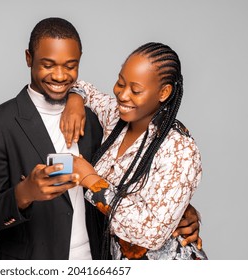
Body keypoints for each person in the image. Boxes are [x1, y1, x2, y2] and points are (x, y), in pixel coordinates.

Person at [0, 17, 201, 260]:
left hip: (99, 258)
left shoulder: (97, 120)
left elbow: (143, 193)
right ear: (29, 58)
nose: (60, 76)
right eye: (48, 64)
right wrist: (24, 193)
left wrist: (178, 211)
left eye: (70, 65)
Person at [61, 42, 208, 259]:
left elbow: (151, 233)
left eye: (136, 90)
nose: (123, 95)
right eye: (120, 83)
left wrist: (90, 179)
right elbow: (86, 89)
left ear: (164, 92)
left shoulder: (179, 149)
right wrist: (75, 100)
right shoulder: (116, 117)